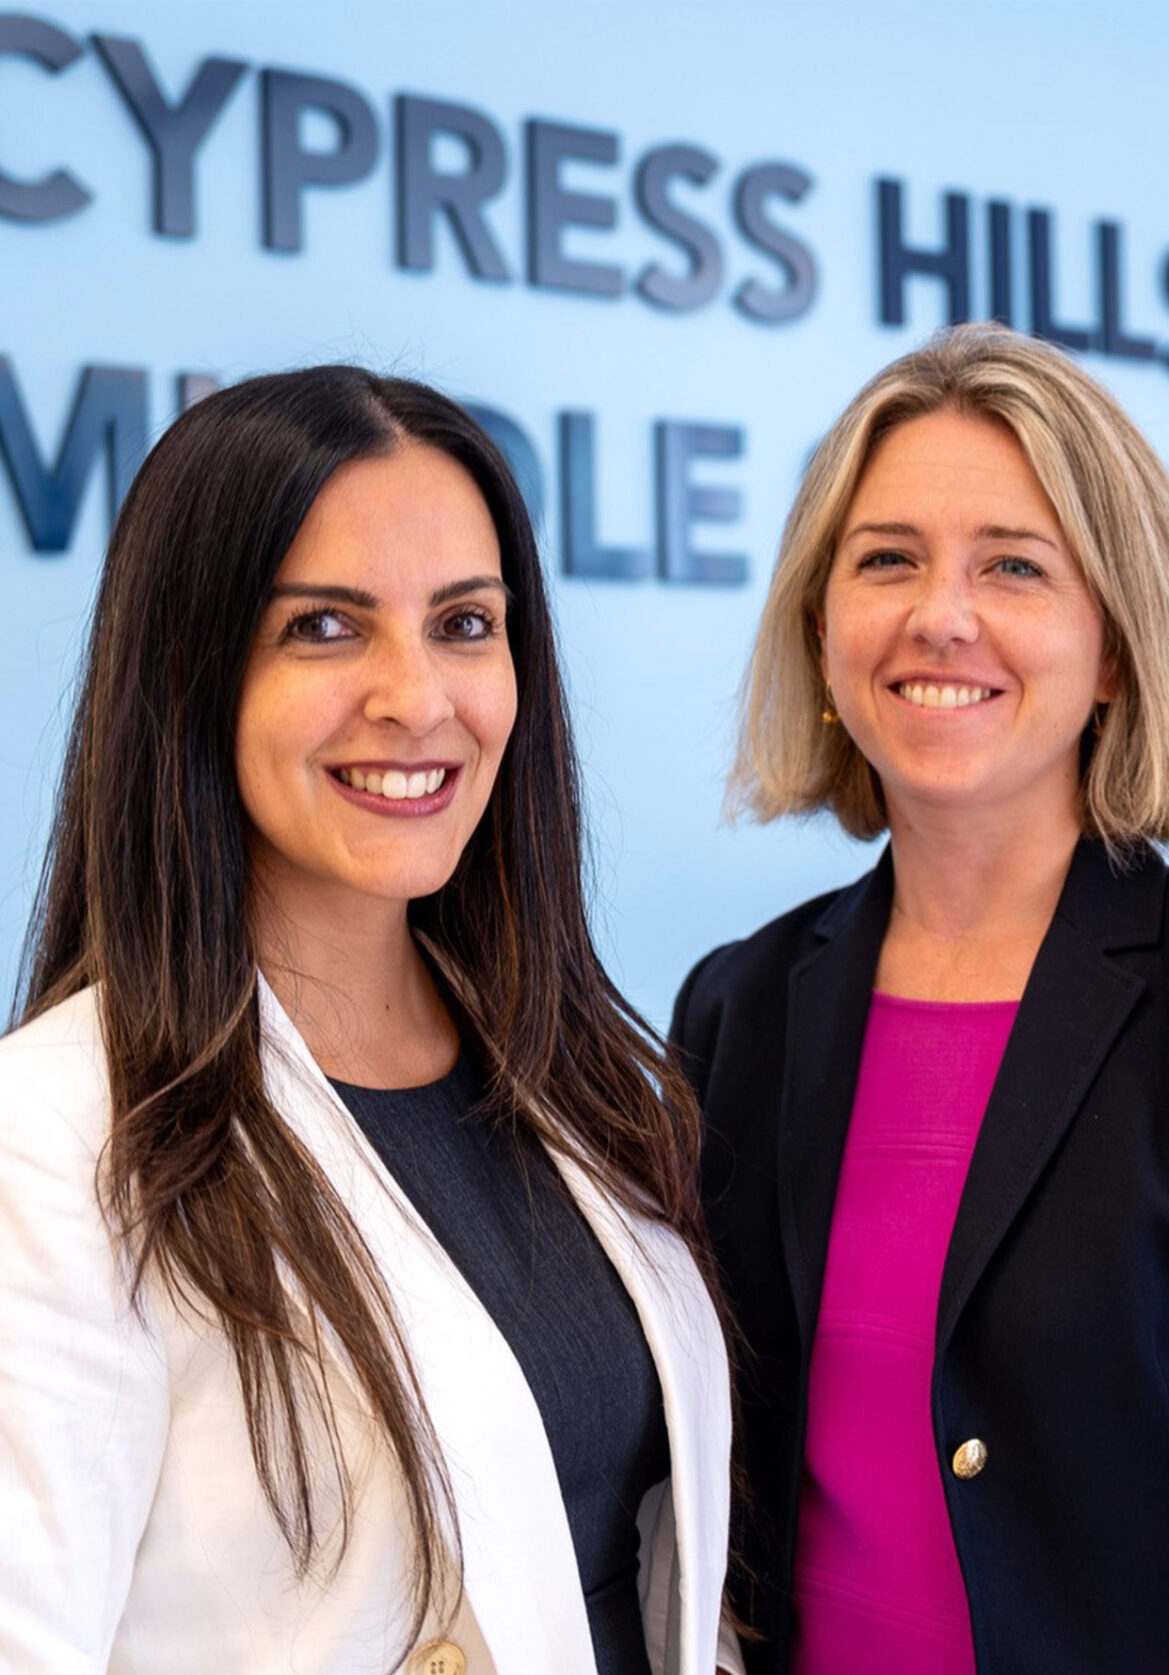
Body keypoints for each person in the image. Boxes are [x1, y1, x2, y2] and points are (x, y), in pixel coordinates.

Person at [0, 368, 736, 1674]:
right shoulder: (52, 1140)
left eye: (464, 623)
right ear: (192, 672)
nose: (418, 695)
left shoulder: (578, 1086)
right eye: (325, 630)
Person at [672, 323, 1169, 1675]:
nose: (943, 615)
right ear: (822, 628)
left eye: (1014, 566)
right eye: (887, 560)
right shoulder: (736, 1011)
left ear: (1114, 646)